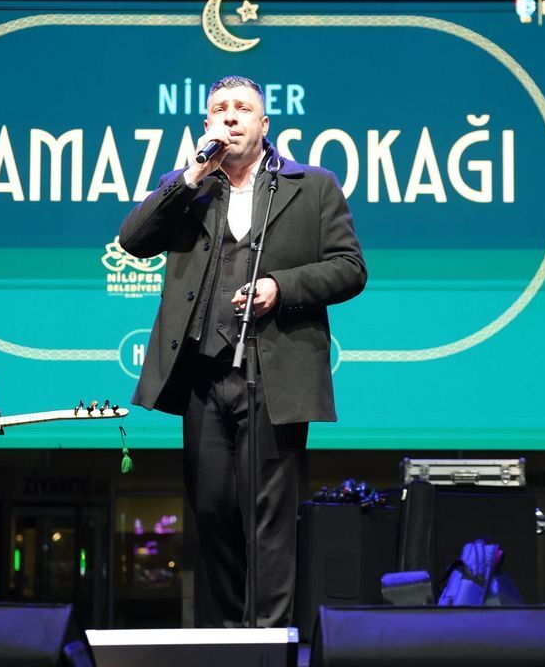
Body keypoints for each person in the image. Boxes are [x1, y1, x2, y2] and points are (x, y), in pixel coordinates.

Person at [119, 75, 366, 627]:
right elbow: (133, 240)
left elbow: (350, 268)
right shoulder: (186, 187)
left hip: (274, 373)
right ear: (206, 124)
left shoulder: (312, 185)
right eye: (219, 109)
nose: (230, 117)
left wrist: (281, 286)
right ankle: (231, 635)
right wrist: (190, 176)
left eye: (242, 109)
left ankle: (270, 641)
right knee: (210, 509)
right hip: (203, 374)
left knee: (271, 521)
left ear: (264, 124)